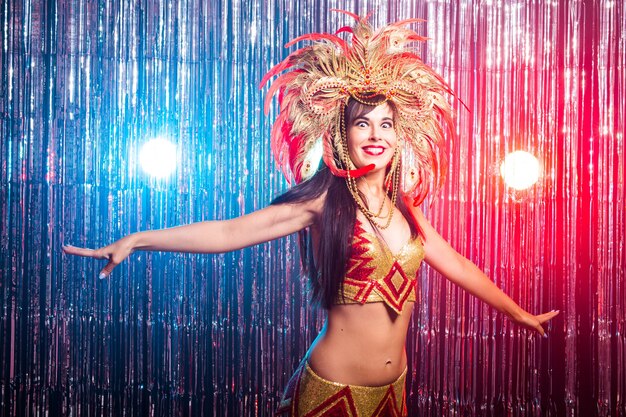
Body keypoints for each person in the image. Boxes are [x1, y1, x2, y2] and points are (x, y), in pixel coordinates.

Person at [63, 11, 559, 417]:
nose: (377, 135)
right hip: (332, 393)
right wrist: (139, 239)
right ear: (342, 134)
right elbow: (229, 232)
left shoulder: (406, 207)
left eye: (386, 124)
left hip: (393, 394)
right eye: (363, 124)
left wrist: (516, 312)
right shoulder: (323, 201)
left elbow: (459, 266)